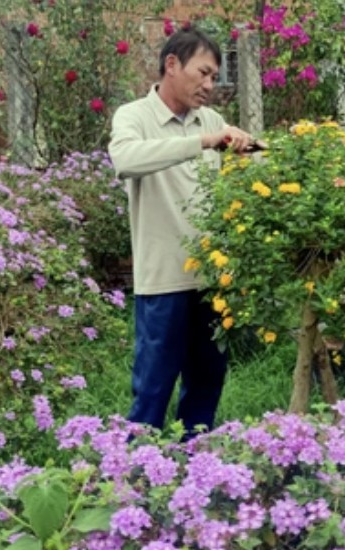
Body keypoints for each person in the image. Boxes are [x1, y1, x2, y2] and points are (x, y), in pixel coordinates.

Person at [109, 28, 255, 434]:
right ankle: (136, 477)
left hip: (212, 280)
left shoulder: (210, 119)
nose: (209, 85)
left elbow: (258, 165)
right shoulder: (134, 116)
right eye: (203, 73)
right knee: (152, 392)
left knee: (206, 388)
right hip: (164, 280)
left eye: (214, 77)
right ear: (171, 65)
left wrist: (254, 150)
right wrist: (203, 141)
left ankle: (193, 471)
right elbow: (125, 159)